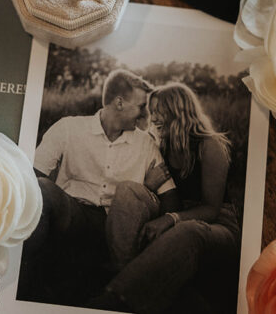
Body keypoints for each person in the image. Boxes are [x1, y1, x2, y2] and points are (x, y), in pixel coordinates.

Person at [19, 69, 176, 305]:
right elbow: (31, 177)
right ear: (119, 103)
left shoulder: (145, 143)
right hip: (74, 215)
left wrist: (147, 190)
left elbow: (172, 200)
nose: (146, 115)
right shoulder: (69, 128)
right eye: (142, 106)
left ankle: (112, 288)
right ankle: (17, 278)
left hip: (120, 226)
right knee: (41, 188)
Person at [94, 83, 240, 314]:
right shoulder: (161, 145)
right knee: (128, 190)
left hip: (217, 224)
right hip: (176, 215)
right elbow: (159, 195)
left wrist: (170, 219)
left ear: (178, 109)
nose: (154, 118)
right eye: (152, 110)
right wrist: (149, 186)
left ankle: (115, 299)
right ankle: (127, 274)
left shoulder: (210, 145)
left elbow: (211, 210)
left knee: (189, 230)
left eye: (160, 110)